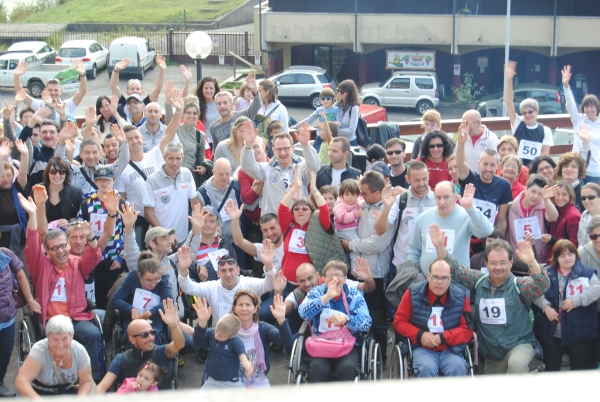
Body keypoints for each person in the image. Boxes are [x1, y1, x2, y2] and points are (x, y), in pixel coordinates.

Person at [429, 224, 550, 374]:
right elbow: (455, 269)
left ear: (511, 262)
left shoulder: (519, 284)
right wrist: (440, 247)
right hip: (493, 354)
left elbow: (542, 285)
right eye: (493, 263)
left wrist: (532, 262)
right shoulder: (479, 281)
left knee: (516, 366)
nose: (498, 267)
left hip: (520, 345)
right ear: (486, 263)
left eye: (502, 263)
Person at [19, 194, 105, 381]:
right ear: (47, 251)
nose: (60, 251)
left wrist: (90, 236)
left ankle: (92, 380)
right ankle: (57, 378)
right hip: (52, 320)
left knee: (93, 334)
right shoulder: (41, 265)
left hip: (77, 318)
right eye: (54, 248)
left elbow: (94, 256)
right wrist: (33, 215)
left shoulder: (77, 262)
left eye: (63, 246)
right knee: (59, 340)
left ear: (68, 245)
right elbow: (32, 246)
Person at [340, 171, 395, 367]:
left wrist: (350, 245)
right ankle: (355, 356)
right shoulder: (361, 206)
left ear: (378, 192)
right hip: (355, 271)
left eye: (364, 192)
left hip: (375, 273)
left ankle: (381, 359)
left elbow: (377, 245)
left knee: (376, 318)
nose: (360, 196)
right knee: (353, 315)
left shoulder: (388, 211)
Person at [394, 258, 473, 377]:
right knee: (427, 368)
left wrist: (443, 337)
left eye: (444, 278)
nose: (439, 282)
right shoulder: (412, 293)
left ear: (450, 279)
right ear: (428, 276)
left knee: (458, 367)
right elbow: (399, 321)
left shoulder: (461, 297)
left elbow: (467, 330)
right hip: (422, 348)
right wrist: (420, 335)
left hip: (450, 349)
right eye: (435, 277)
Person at [178, 234, 279, 325]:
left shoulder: (248, 283)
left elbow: (269, 284)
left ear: (238, 270)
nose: (228, 274)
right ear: (218, 273)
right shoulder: (212, 287)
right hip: (220, 337)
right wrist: (183, 269)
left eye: (231, 270)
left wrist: (269, 264)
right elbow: (188, 288)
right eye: (223, 271)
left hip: (247, 335)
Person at [298, 260, 372, 382]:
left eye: (337, 275)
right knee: (317, 368)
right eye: (329, 276)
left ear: (345, 278)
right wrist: (326, 298)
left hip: (348, 342)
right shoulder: (316, 292)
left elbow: (366, 322)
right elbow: (303, 313)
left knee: (347, 367)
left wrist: (348, 320)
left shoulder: (354, 295)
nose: (334, 279)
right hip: (321, 341)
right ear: (324, 278)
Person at [535, 240, 600, 372]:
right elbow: (536, 292)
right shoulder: (546, 273)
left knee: (579, 369)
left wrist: (577, 301)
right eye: (562, 255)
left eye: (570, 254)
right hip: (552, 333)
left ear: (576, 255)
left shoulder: (587, 272)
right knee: (551, 369)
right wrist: (545, 307)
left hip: (579, 332)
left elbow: (597, 289)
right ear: (556, 257)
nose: (567, 258)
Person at [96, 299, 185, 392]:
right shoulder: (121, 359)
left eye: (152, 332)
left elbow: (179, 344)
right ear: (132, 339)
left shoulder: (161, 352)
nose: (151, 338)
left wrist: (173, 326)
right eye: (144, 335)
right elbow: (102, 387)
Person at [115, 123, 179, 250]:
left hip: (163, 217)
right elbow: (122, 201)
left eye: (137, 137)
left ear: (142, 138)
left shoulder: (153, 155)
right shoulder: (121, 169)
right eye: (129, 139)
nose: (134, 141)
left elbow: (169, 135)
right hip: (141, 223)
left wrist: (177, 111)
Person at [407, 182, 494, 273]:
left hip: (458, 283)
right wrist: (414, 275)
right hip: (427, 281)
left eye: (446, 197)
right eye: (438, 197)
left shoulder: (466, 216)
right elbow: (413, 250)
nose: (442, 202)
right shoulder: (423, 218)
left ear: (455, 197)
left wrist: (470, 208)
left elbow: (486, 231)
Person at [240, 121, 320, 215]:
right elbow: (247, 167)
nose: (282, 153)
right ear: (273, 150)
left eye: (286, 148)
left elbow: (315, 167)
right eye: (278, 149)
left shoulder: (301, 166)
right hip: (274, 223)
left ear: (292, 148)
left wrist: (306, 145)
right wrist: (248, 146)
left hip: (298, 222)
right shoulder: (267, 169)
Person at [375, 161, 436, 269]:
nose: (421, 184)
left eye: (424, 179)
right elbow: (380, 231)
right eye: (416, 180)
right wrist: (387, 207)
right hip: (402, 264)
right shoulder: (400, 200)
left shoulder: (437, 200)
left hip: (431, 266)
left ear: (429, 176)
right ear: (407, 179)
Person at [15, 315, 94, 396]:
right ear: (48, 338)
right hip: (38, 392)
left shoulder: (80, 351)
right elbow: (21, 381)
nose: (60, 345)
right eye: (55, 339)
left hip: (66, 392)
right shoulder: (39, 351)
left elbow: (86, 382)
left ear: (72, 337)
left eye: (65, 339)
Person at [229, 290, 292, 388]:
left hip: (259, 382)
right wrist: (202, 324)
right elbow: (203, 341)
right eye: (240, 305)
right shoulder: (227, 329)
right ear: (235, 308)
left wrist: (281, 320)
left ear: (255, 308)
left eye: (248, 305)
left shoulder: (263, 328)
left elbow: (285, 340)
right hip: (232, 382)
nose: (244, 308)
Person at [456, 125, 512, 235]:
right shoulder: (470, 179)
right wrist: (461, 143)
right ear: (479, 164)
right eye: (485, 164)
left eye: (492, 165)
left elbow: (501, 220)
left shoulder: (504, 185)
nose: (488, 169)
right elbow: (460, 164)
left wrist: (499, 241)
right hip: (466, 233)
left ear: (498, 166)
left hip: (487, 234)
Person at [0, 247, 39, 397]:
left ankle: (0, 384)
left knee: (5, 355)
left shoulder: (6, 254)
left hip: (7, 318)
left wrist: (30, 300)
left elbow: (21, 276)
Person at [278, 169, 330, 284]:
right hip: (288, 282)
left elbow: (324, 210)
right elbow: (282, 208)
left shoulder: (318, 226)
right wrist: (293, 189)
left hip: (311, 284)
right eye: (296, 209)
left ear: (311, 212)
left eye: (304, 209)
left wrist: (314, 190)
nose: (300, 211)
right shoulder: (288, 225)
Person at [111, 251, 173, 347]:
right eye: (148, 280)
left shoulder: (163, 279)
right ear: (140, 275)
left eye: (156, 279)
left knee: (152, 336)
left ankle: (152, 360)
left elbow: (169, 301)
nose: (153, 284)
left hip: (154, 318)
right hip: (133, 318)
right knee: (135, 336)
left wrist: (150, 312)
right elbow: (116, 299)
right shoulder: (133, 277)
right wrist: (131, 309)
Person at [143, 142, 200, 243]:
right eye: (171, 158)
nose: (174, 163)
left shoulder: (187, 174)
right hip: (160, 240)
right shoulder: (152, 180)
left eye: (178, 158)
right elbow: (148, 213)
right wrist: (166, 234)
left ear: (182, 158)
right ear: (164, 158)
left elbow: (194, 202)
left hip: (183, 238)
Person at [504, 61, 553, 166]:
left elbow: (545, 155)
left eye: (530, 112)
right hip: (518, 167)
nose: (527, 115)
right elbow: (509, 102)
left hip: (535, 168)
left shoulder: (545, 130)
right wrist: (509, 80)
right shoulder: (518, 125)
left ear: (537, 111)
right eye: (524, 113)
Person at [164, 89, 212, 189]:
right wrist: (168, 101)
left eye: (194, 113)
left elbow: (201, 158)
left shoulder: (201, 135)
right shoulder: (176, 129)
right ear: (183, 114)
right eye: (188, 113)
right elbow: (169, 119)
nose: (191, 116)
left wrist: (204, 168)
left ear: (198, 115)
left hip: (191, 179)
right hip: (173, 175)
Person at [193, 310, 253, 390]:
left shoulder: (236, 342)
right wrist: (177, 324)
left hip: (232, 382)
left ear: (231, 336)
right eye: (216, 332)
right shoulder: (213, 333)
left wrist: (248, 366)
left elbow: (243, 358)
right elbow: (193, 331)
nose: (216, 336)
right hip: (213, 380)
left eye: (221, 336)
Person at [506, 174, 558, 263]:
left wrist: (546, 199)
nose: (535, 197)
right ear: (526, 189)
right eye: (533, 191)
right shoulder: (510, 206)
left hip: (538, 259)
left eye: (540, 194)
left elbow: (553, 217)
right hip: (514, 259)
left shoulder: (543, 205)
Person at [14, 60, 88, 122]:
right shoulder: (38, 105)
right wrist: (16, 76)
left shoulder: (68, 104)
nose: (53, 93)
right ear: (45, 90)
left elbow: (82, 92)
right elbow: (20, 94)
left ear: (60, 91)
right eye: (50, 90)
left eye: (56, 90)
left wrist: (82, 75)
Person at [562, 65, 600, 184]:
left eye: (591, 106)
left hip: (595, 169)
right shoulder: (579, 121)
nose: (589, 110)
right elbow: (570, 104)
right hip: (577, 167)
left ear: (597, 107)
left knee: (592, 198)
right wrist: (566, 86)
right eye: (586, 107)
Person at [210, 74, 261, 151]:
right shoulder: (213, 127)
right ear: (216, 107)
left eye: (225, 102)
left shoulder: (243, 116)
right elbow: (216, 151)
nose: (222, 106)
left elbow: (257, 105)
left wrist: (254, 90)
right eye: (219, 104)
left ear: (232, 104)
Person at [577, 217, 600, 368]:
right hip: (591, 308)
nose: (598, 239)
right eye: (594, 236)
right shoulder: (582, 253)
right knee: (592, 349)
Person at [0, 140, 28, 253]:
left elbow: (23, 173)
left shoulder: (18, 188)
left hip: (20, 238)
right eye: (2, 176)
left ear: (13, 176)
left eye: (8, 175)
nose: (5, 179)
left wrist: (25, 155)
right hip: (2, 239)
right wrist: (1, 158)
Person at [543, 180, 581, 264]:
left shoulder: (573, 216)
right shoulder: (557, 210)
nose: (560, 198)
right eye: (557, 194)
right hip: (554, 259)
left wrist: (552, 240)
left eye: (564, 194)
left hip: (564, 262)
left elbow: (574, 246)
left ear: (570, 196)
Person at [295, 88, 340, 152]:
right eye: (323, 99)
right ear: (320, 100)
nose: (325, 101)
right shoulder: (319, 110)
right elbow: (309, 119)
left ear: (333, 99)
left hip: (331, 137)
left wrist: (331, 125)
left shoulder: (336, 110)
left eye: (328, 98)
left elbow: (338, 123)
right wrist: (296, 126)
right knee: (316, 154)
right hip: (319, 136)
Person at [334, 179, 362, 268]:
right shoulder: (340, 205)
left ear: (357, 195)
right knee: (356, 245)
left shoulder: (356, 202)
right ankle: (356, 269)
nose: (350, 197)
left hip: (351, 229)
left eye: (353, 194)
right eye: (347, 194)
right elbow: (343, 218)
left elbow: (361, 201)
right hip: (344, 230)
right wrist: (355, 214)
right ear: (342, 195)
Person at [194, 76, 222, 146]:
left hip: (221, 140)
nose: (209, 91)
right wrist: (187, 81)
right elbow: (186, 102)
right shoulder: (198, 105)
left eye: (211, 88)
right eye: (206, 88)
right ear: (202, 90)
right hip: (207, 143)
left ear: (215, 89)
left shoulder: (220, 103)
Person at [334, 79, 361, 146]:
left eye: (342, 91)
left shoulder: (354, 108)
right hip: (337, 141)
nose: (339, 93)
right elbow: (327, 114)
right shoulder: (337, 104)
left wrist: (334, 131)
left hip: (349, 142)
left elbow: (351, 131)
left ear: (350, 93)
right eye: (338, 90)